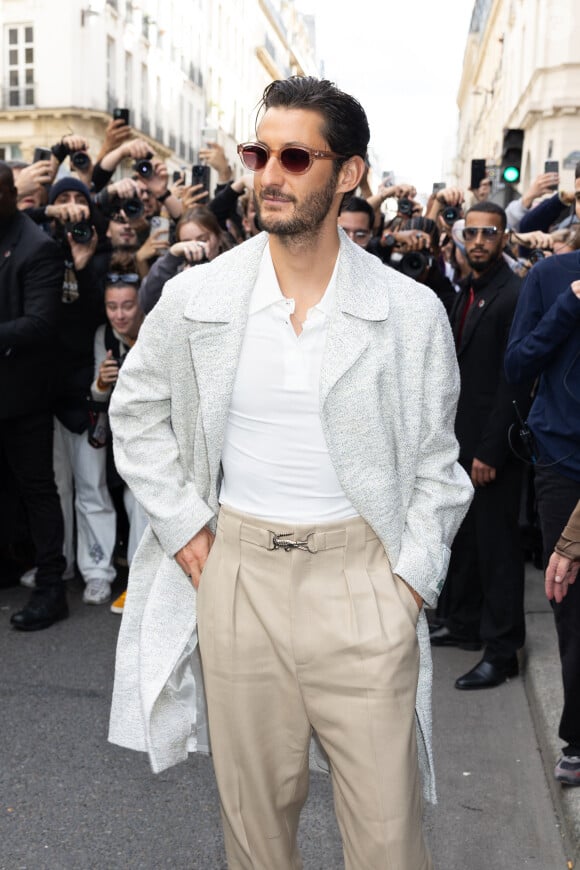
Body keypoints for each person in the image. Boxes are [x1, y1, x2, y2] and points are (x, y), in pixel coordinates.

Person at [108, 76, 472, 869]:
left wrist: (409, 580)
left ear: (347, 174)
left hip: (365, 587)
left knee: (388, 842)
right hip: (238, 582)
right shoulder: (198, 297)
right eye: (258, 153)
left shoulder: (410, 314)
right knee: (255, 837)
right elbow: (134, 415)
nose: (269, 174)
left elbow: (440, 470)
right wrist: (190, 536)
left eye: (295, 156)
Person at [431, 201, 532, 690]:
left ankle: (503, 650)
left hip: (492, 449)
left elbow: (513, 382)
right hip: (461, 442)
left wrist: (490, 451)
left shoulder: (513, 295)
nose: (477, 241)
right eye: (469, 233)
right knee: (467, 541)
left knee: (497, 550)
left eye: (488, 232)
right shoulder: (469, 290)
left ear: (505, 237)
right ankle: (467, 624)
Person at [505, 254, 580, 787]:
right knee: (571, 601)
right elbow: (516, 366)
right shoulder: (550, 276)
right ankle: (579, 739)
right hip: (563, 462)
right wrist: (569, 306)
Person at [0, 162, 68, 631]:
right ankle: (9, 564)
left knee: (37, 490)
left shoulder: (38, 247)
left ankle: (51, 588)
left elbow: (42, 324)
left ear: (8, 193)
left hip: (24, 398)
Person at [91, 271, 147, 614]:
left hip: (156, 433)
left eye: (127, 305)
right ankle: (136, 580)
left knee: (140, 501)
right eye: (112, 306)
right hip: (120, 435)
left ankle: (140, 587)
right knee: (126, 501)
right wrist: (100, 383)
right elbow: (96, 398)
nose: (120, 314)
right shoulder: (104, 336)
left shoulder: (154, 330)